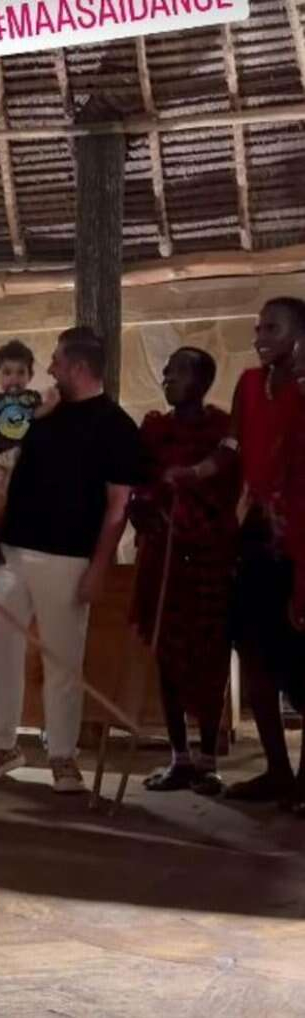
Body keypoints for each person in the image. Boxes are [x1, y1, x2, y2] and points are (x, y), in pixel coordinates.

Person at [0, 327, 145, 792]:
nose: (49, 369)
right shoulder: (41, 412)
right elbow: (0, 447)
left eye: (57, 362)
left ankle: (63, 754)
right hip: (11, 550)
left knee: (64, 660)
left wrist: (100, 567)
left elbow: (118, 506)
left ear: (79, 368)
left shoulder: (116, 426)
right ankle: (2, 744)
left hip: (69, 557)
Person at [166, 298, 305, 805]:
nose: (260, 337)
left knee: (300, 660)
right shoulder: (249, 384)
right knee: (254, 653)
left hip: (299, 537)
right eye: (258, 327)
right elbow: (233, 448)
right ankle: (278, 771)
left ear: (300, 335)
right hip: (256, 535)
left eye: (272, 328)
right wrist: (193, 472)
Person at [129, 348, 240, 796]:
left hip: (210, 559)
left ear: (200, 380)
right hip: (165, 559)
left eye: (177, 371)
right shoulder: (154, 430)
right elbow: (139, 482)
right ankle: (180, 758)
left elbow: (230, 476)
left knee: (211, 657)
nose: (166, 377)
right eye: (166, 371)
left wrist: (191, 477)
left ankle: (208, 761)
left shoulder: (222, 429)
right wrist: (142, 509)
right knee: (167, 654)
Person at [0, 339, 56, 563]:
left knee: (14, 491)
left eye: (21, 372)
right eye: (7, 372)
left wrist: (49, 405)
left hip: (21, 453)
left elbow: (35, 419)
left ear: (30, 375)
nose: (14, 378)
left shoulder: (32, 399)